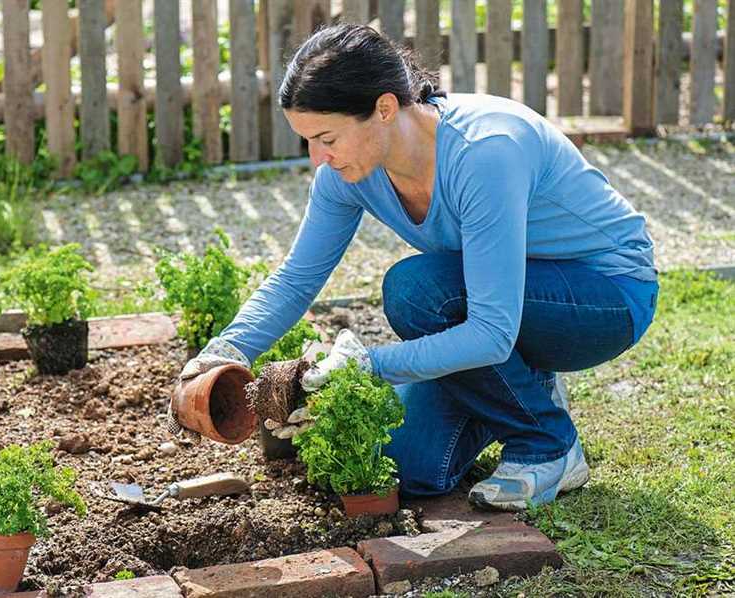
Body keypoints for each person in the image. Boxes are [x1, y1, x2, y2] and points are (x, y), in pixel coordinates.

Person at [167, 23, 659, 511]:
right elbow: (298, 277)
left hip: (606, 296)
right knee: (411, 467)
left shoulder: (484, 152)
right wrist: (224, 349)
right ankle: (529, 387)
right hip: (505, 297)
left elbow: (490, 333)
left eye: (327, 137)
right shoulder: (347, 175)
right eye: (308, 141)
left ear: (384, 108)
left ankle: (549, 447)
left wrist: (370, 366)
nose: (318, 159)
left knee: (416, 290)